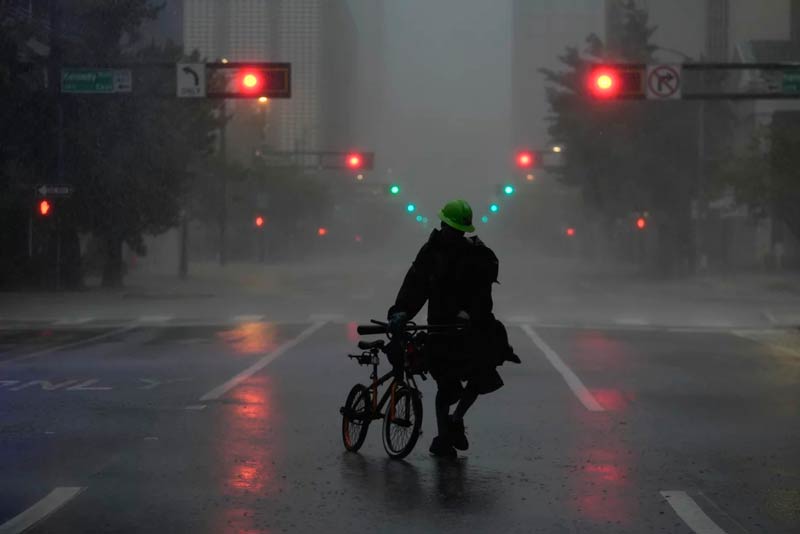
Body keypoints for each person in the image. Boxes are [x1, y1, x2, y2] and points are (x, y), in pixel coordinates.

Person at [387, 199, 519, 457]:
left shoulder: (478, 255)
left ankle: (456, 420)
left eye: (459, 231)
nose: (454, 234)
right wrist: (401, 311)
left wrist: (470, 314)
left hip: (471, 329)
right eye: (452, 229)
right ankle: (443, 437)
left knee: (480, 374)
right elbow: (416, 284)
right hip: (440, 330)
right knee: (446, 386)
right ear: (443, 225)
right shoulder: (431, 252)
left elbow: (483, 293)